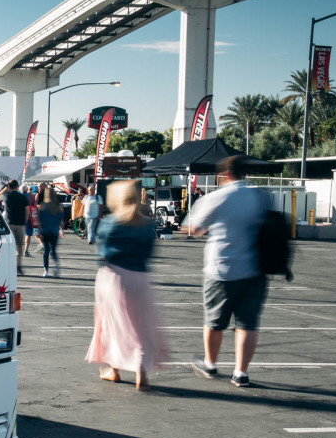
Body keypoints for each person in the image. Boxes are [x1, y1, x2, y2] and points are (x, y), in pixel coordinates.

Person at [187, 156, 270, 388]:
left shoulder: (216, 197)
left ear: (225, 174)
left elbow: (194, 229)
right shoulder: (260, 196)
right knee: (247, 323)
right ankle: (241, 373)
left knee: (214, 320)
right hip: (255, 268)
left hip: (221, 268)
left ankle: (210, 364)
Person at [85, 180, 168, 391]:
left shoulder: (111, 222)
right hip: (140, 277)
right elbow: (150, 253)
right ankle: (141, 372)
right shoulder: (147, 224)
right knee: (139, 327)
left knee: (111, 324)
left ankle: (114, 370)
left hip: (114, 277)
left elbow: (102, 254)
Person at [0, 180, 29, 275]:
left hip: (9, 223)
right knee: (19, 246)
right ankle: (18, 265)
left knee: (9, 246)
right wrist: (25, 220)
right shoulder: (23, 197)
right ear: (17, 186)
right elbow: (27, 210)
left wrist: (4, 189)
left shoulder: (6, 195)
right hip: (20, 224)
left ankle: (9, 265)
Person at [37, 186, 63, 277]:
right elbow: (61, 219)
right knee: (53, 250)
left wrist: (38, 231)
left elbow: (39, 219)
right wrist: (61, 230)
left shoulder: (42, 205)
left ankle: (46, 270)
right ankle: (56, 263)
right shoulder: (58, 205)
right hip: (54, 230)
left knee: (46, 250)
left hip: (45, 230)